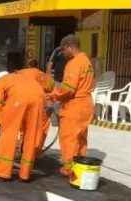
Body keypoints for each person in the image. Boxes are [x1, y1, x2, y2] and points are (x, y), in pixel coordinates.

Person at [0, 51, 47, 182]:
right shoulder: (30, 76)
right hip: (39, 97)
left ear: (8, 66)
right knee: (31, 135)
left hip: (20, 99)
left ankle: (2, 172)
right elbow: (49, 86)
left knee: (9, 133)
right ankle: (25, 174)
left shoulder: (4, 80)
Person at [47, 34, 95, 177]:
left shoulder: (74, 63)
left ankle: (69, 169)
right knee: (80, 138)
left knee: (69, 138)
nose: (63, 53)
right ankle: (80, 168)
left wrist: (52, 95)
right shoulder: (86, 61)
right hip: (86, 103)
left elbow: (68, 88)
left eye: (63, 50)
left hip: (74, 105)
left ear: (69, 47)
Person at [18, 58, 55, 153]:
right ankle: (35, 151)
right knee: (40, 129)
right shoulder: (41, 75)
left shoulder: (19, 74)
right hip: (39, 105)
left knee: (24, 128)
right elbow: (50, 86)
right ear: (37, 65)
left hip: (22, 103)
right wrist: (48, 71)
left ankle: (22, 148)